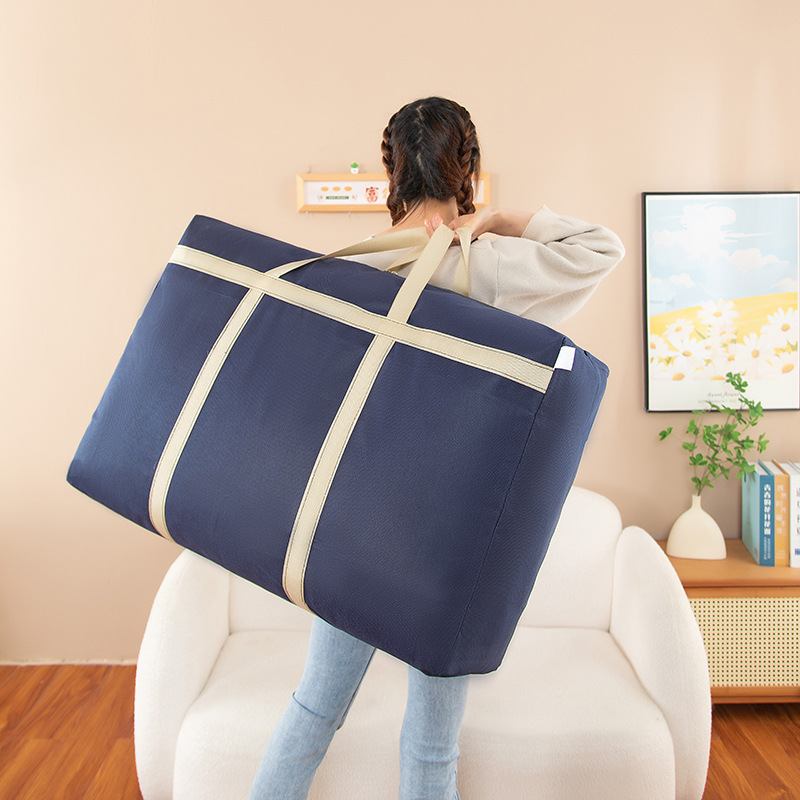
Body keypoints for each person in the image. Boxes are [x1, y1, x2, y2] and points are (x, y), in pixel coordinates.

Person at [249, 97, 625, 800]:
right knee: (431, 748)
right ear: (467, 167)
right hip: (450, 538)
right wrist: (497, 219)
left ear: (391, 169)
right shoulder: (493, 265)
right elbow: (603, 248)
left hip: (355, 524)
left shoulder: (352, 270)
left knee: (313, 710)